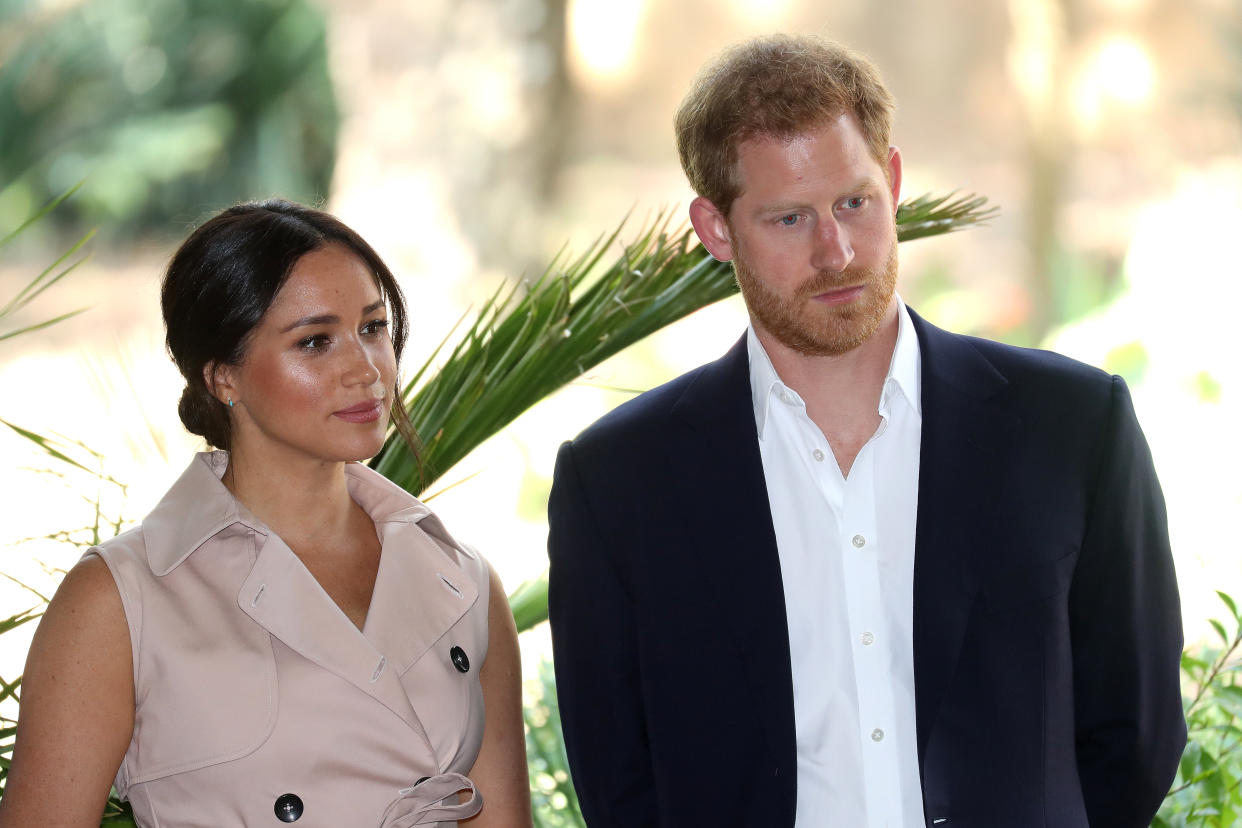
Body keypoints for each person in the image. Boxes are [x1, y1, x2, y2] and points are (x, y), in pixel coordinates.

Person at [547, 34, 1185, 828]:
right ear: (716, 230)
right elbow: (619, 781)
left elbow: (1138, 733)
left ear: (891, 180)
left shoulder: (1073, 427)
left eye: (854, 202)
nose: (837, 251)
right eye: (789, 218)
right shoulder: (617, 481)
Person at [0, 200, 532, 827]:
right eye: (315, 341)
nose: (365, 371)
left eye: (373, 328)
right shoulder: (121, 599)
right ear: (223, 375)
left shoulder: (463, 578)